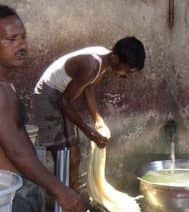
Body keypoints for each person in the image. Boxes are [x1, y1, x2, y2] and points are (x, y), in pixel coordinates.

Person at [0, 5, 85, 212]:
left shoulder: (7, 87)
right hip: (11, 196)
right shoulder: (1, 93)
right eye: (11, 39)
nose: (22, 45)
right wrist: (61, 191)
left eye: (23, 37)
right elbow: (16, 152)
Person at [33, 36, 145, 190]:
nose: (126, 75)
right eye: (127, 70)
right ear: (116, 57)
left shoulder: (104, 60)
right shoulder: (91, 65)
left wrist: (98, 119)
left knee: (74, 156)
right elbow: (63, 102)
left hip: (61, 98)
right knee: (63, 156)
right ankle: (63, 203)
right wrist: (89, 132)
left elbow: (89, 87)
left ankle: (72, 200)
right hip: (48, 97)